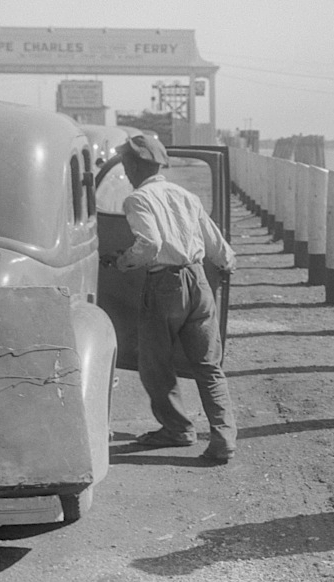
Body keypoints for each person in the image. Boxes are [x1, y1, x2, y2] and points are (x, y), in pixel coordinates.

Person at [103, 134, 238, 464]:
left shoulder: (138, 200)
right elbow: (219, 247)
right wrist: (225, 266)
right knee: (208, 366)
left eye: (127, 165)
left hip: (164, 285)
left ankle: (177, 429)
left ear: (133, 166)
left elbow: (148, 245)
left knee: (155, 365)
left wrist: (121, 262)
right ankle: (224, 438)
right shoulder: (186, 196)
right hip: (199, 281)